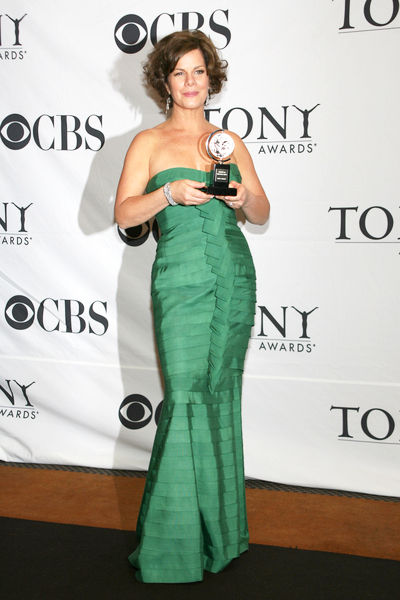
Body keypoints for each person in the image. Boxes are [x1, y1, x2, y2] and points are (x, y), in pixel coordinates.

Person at [115, 30, 269, 584]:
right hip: (180, 278)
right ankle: (173, 544)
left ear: (212, 78)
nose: (190, 82)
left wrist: (242, 197)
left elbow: (261, 208)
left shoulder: (228, 142)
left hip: (231, 273)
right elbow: (126, 215)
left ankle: (220, 535)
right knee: (183, 394)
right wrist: (169, 195)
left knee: (220, 391)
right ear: (164, 81)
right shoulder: (148, 143)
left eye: (199, 71)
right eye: (179, 72)